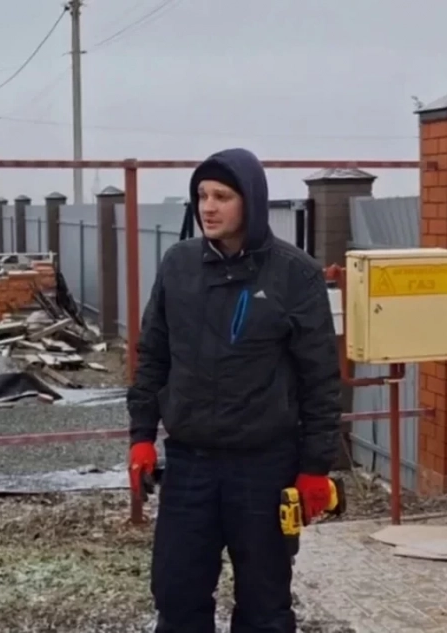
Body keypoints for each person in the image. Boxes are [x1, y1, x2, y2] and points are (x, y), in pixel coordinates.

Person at [126, 147, 342, 633]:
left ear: (251, 201)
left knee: (265, 606)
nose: (208, 207)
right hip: (189, 464)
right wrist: (142, 435)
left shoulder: (294, 273)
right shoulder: (178, 265)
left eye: (222, 196)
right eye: (202, 195)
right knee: (176, 595)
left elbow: (320, 380)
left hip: (263, 468)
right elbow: (153, 355)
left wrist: (315, 467)